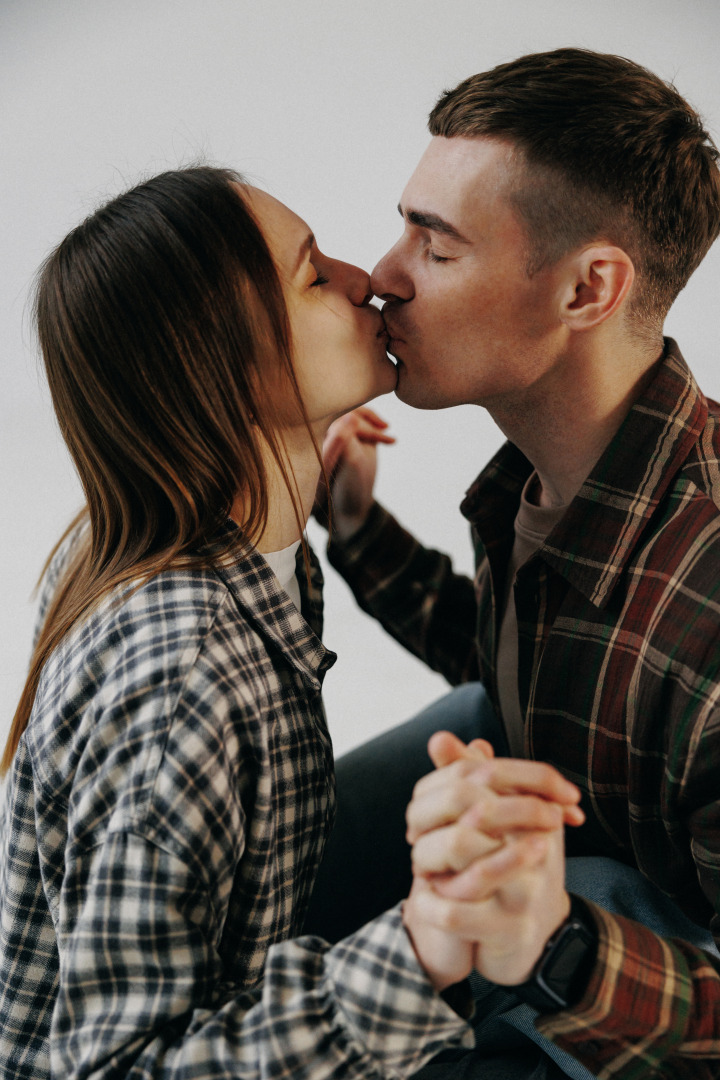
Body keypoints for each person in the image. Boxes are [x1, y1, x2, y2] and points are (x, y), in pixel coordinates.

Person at [0, 165, 584, 1080]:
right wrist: (419, 947)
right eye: (314, 275)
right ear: (218, 368)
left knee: (488, 724)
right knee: (570, 1020)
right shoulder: (181, 679)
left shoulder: (202, 525)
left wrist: (332, 505)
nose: (371, 280)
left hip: (257, 922)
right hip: (181, 1039)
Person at [305, 48, 720, 1079]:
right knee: (319, 844)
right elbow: (529, 665)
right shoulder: (562, 476)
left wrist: (561, 945)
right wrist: (355, 526)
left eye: (436, 247)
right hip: (590, 820)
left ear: (587, 288)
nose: (384, 276)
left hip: (656, 959)